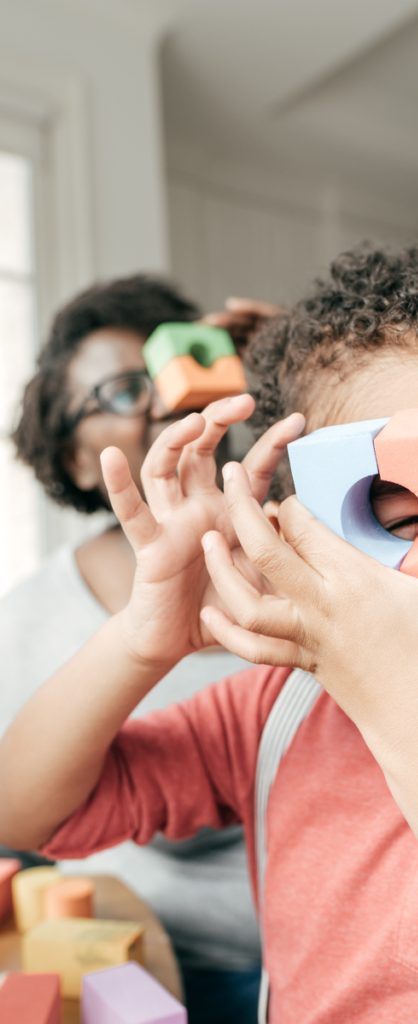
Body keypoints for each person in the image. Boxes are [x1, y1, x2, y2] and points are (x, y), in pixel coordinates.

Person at [1, 241, 418, 1023]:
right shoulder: (268, 718)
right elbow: (25, 815)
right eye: (411, 518)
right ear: (294, 540)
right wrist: (139, 640)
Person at [2, 275, 279, 1024]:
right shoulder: (28, 620)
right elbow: (16, 817)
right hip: (174, 970)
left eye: (165, 372)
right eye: (123, 391)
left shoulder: (302, 526)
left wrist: (313, 372)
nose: (160, 400)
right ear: (77, 460)